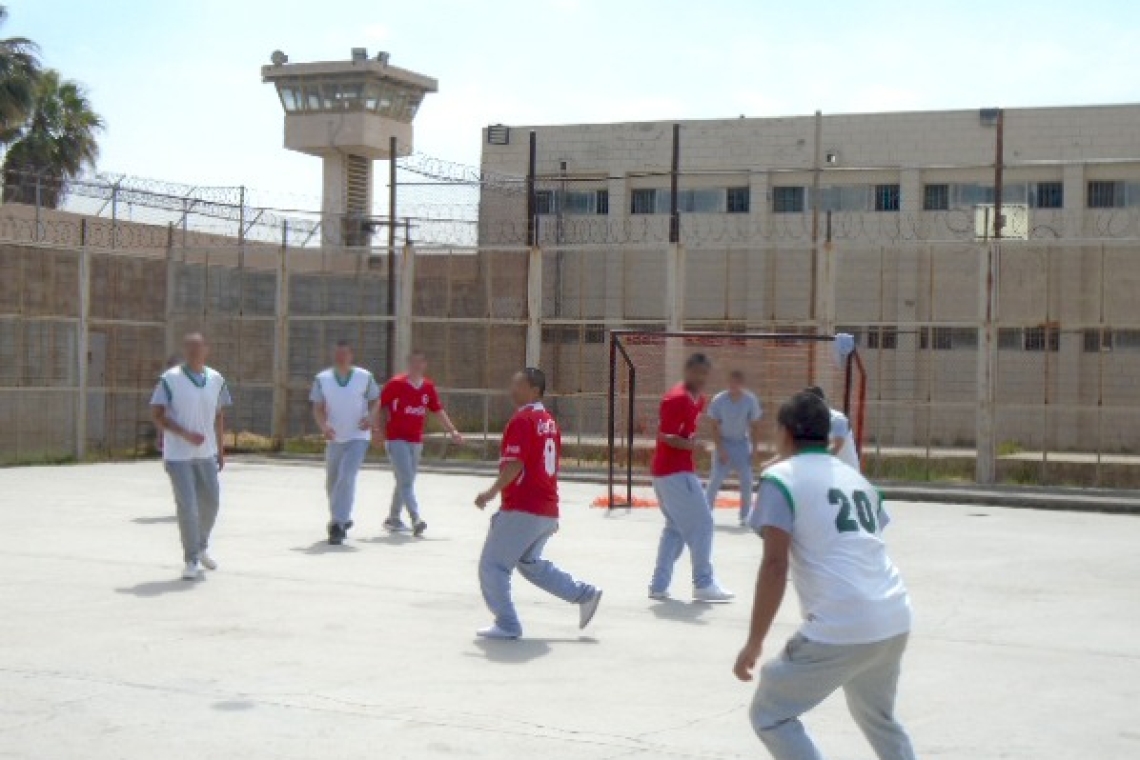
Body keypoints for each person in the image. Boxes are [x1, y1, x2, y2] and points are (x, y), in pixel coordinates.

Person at [734, 390, 916, 760]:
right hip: (894, 615)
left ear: (784, 433)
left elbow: (774, 565)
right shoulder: (854, 478)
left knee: (771, 715)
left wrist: (754, 642)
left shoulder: (779, 479)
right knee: (880, 719)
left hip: (841, 623)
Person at [473, 368, 602, 640]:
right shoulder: (548, 420)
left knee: (493, 565)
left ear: (534, 390)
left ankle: (507, 624)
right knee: (529, 563)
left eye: (518, 385)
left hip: (524, 508)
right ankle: (584, 594)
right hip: (545, 509)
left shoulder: (523, 420)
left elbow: (516, 464)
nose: (512, 390)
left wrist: (491, 492)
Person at [648, 353, 734, 603]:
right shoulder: (676, 399)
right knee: (704, 523)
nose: (701, 378)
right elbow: (666, 435)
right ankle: (703, 583)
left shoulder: (698, 399)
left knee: (674, 528)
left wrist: (690, 445)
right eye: (697, 372)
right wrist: (689, 445)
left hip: (674, 471)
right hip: (674, 472)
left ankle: (658, 584)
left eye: (705, 373)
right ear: (687, 372)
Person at [149, 333, 232, 581]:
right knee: (188, 508)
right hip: (179, 455)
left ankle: (202, 545)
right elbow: (157, 414)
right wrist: (183, 434)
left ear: (207, 350)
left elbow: (219, 415)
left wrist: (221, 448)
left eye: (198, 348)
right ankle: (191, 559)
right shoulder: (169, 379)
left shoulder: (216, 379)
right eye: (189, 349)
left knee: (212, 502)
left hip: (206, 454)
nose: (194, 353)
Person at [377, 351, 464, 537]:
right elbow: (379, 406)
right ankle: (416, 518)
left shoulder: (427, 387)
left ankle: (393, 518)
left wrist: (453, 431)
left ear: (424, 365)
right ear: (408, 364)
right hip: (396, 438)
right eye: (413, 363)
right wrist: (377, 430)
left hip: (416, 440)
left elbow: (437, 410)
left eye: (420, 363)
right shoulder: (396, 384)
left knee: (405, 480)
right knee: (406, 480)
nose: (417, 366)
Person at [310, 340, 381, 545]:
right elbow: (317, 407)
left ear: (351, 356)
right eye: (338, 354)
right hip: (335, 437)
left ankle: (338, 524)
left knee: (347, 475)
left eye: (345, 354)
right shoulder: (322, 379)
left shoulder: (364, 377)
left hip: (358, 436)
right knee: (333, 481)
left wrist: (370, 418)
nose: (341, 357)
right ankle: (342, 516)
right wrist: (324, 427)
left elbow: (376, 400)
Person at [705, 370, 764, 525]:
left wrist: (755, 449)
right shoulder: (719, 400)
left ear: (742, 385)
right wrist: (720, 449)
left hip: (741, 443)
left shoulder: (750, 400)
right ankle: (705, 513)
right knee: (715, 479)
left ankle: (745, 516)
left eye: (737, 383)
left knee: (747, 479)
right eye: (731, 383)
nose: (734, 386)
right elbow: (714, 426)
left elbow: (755, 426)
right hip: (723, 442)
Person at [805, 385, 860, 471]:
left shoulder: (837, 419)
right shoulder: (812, 423)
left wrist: (812, 462)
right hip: (829, 473)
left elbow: (835, 446)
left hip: (846, 473)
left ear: (822, 402)